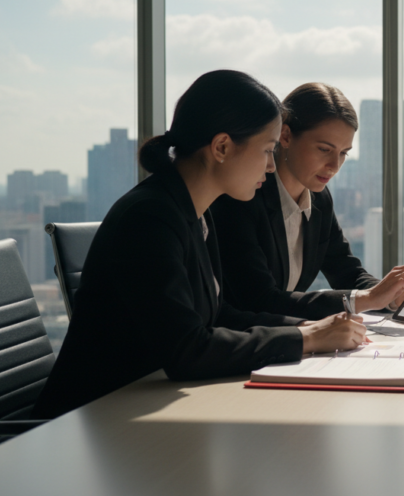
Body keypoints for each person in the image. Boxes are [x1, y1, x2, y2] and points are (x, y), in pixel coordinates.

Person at [33, 71, 367, 419]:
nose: (271, 166)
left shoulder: (192, 212)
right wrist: (307, 339)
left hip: (146, 407)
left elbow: (220, 315)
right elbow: (186, 350)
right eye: (267, 150)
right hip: (92, 421)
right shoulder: (149, 218)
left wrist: (308, 328)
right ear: (222, 147)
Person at [210, 82, 404, 321]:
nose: (335, 166)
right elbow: (258, 300)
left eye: (344, 153)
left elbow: (346, 271)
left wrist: (392, 295)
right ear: (285, 136)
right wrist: (366, 299)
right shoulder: (242, 197)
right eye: (325, 149)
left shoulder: (318, 199)